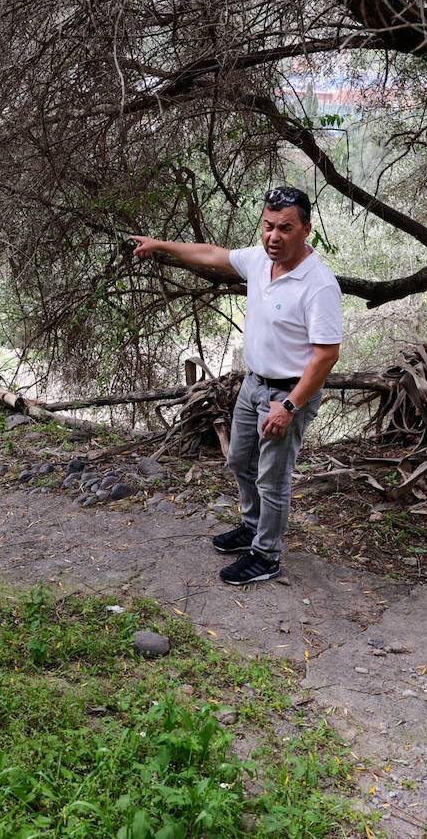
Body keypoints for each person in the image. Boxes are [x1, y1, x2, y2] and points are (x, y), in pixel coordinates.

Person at [128, 186, 342, 585]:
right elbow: (212, 254)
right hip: (254, 384)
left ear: (306, 230)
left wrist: (290, 406)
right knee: (240, 460)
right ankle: (252, 527)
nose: (273, 237)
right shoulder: (261, 261)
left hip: (288, 394)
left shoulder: (319, 285)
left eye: (285, 228)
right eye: (267, 226)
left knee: (272, 478)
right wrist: (160, 245)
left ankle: (266, 554)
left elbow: (326, 355)